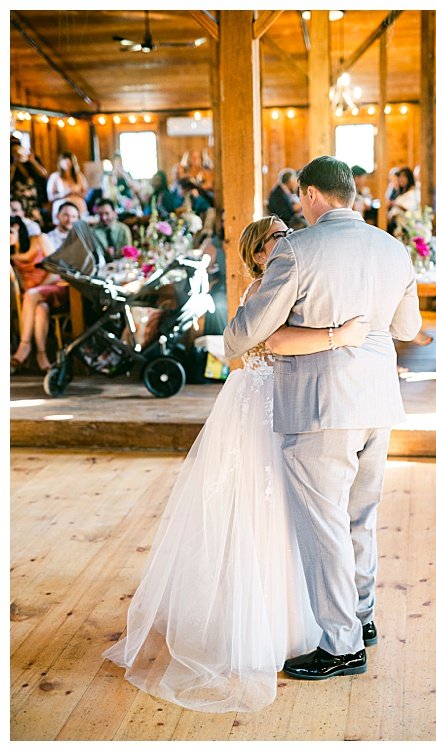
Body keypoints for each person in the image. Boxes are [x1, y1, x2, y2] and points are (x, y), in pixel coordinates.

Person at [103, 215, 378, 710]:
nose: (287, 238)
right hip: (260, 405)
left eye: (287, 231)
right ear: (256, 253)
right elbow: (273, 341)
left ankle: (322, 617)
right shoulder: (262, 288)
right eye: (276, 236)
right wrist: (344, 334)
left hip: (295, 402)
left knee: (303, 516)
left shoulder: (294, 277)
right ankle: (262, 623)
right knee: (261, 506)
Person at [221, 155, 422, 683]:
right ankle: (362, 618)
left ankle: (341, 647)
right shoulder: (393, 247)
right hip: (378, 401)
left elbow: (250, 330)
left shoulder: (295, 248)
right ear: (349, 194)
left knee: (324, 525)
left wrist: (241, 335)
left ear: (310, 194)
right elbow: (407, 327)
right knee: (360, 518)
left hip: (320, 404)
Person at [10, 219, 61, 372]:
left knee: (32, 296)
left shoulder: (40, 239)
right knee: (41, 309)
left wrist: (38, 289)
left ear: (17, 227)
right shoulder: (10, 254)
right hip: (32, 298)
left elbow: (56, 269)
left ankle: (24, 345)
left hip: (54, 286)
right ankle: (41, 355)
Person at [11, 138, 49, 230]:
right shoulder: (10, 163)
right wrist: (14, 163)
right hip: (18, 200)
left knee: (36, 223)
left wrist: (32, 161)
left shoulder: (31, 160)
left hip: (33, 199)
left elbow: (43, 173)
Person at [47, 151, 88, 216]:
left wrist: (76, 193)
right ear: (60, 162)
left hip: (78, 204)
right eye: (64, 159)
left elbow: (85, 192)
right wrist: (64, 194)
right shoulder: (55, 177)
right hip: (62, 203)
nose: (67, 162)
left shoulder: (79, 176)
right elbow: (50, 197)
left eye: (69, 160)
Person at [386, 166, 419, 235]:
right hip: (396, 225)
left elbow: (409, 209)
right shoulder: (401, 193)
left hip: (405, 227)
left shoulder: (412, 193)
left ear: (409, 178)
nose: (401, 179)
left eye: (404, 177)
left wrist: (395, 204)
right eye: (400, 177)